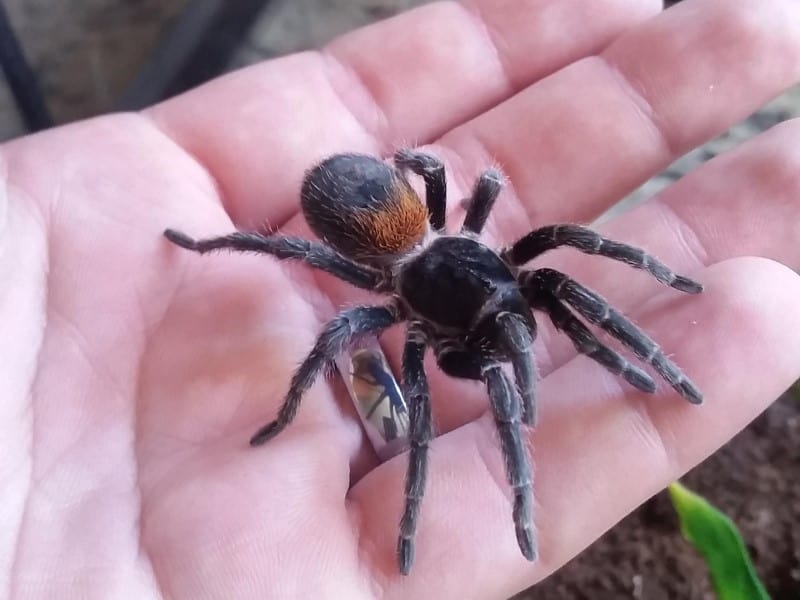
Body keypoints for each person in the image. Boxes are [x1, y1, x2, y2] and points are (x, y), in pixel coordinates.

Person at [3, 0, 799, 597]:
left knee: (566, 265)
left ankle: (653, 362)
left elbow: (536, 238)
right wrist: (287, 405)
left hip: (419, 230)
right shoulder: (396, 314)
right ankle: (444, 497)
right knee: (391, 388)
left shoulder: (504, 262)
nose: (519, 339)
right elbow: (366, 357)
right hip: (386, 238)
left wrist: (668, 286)